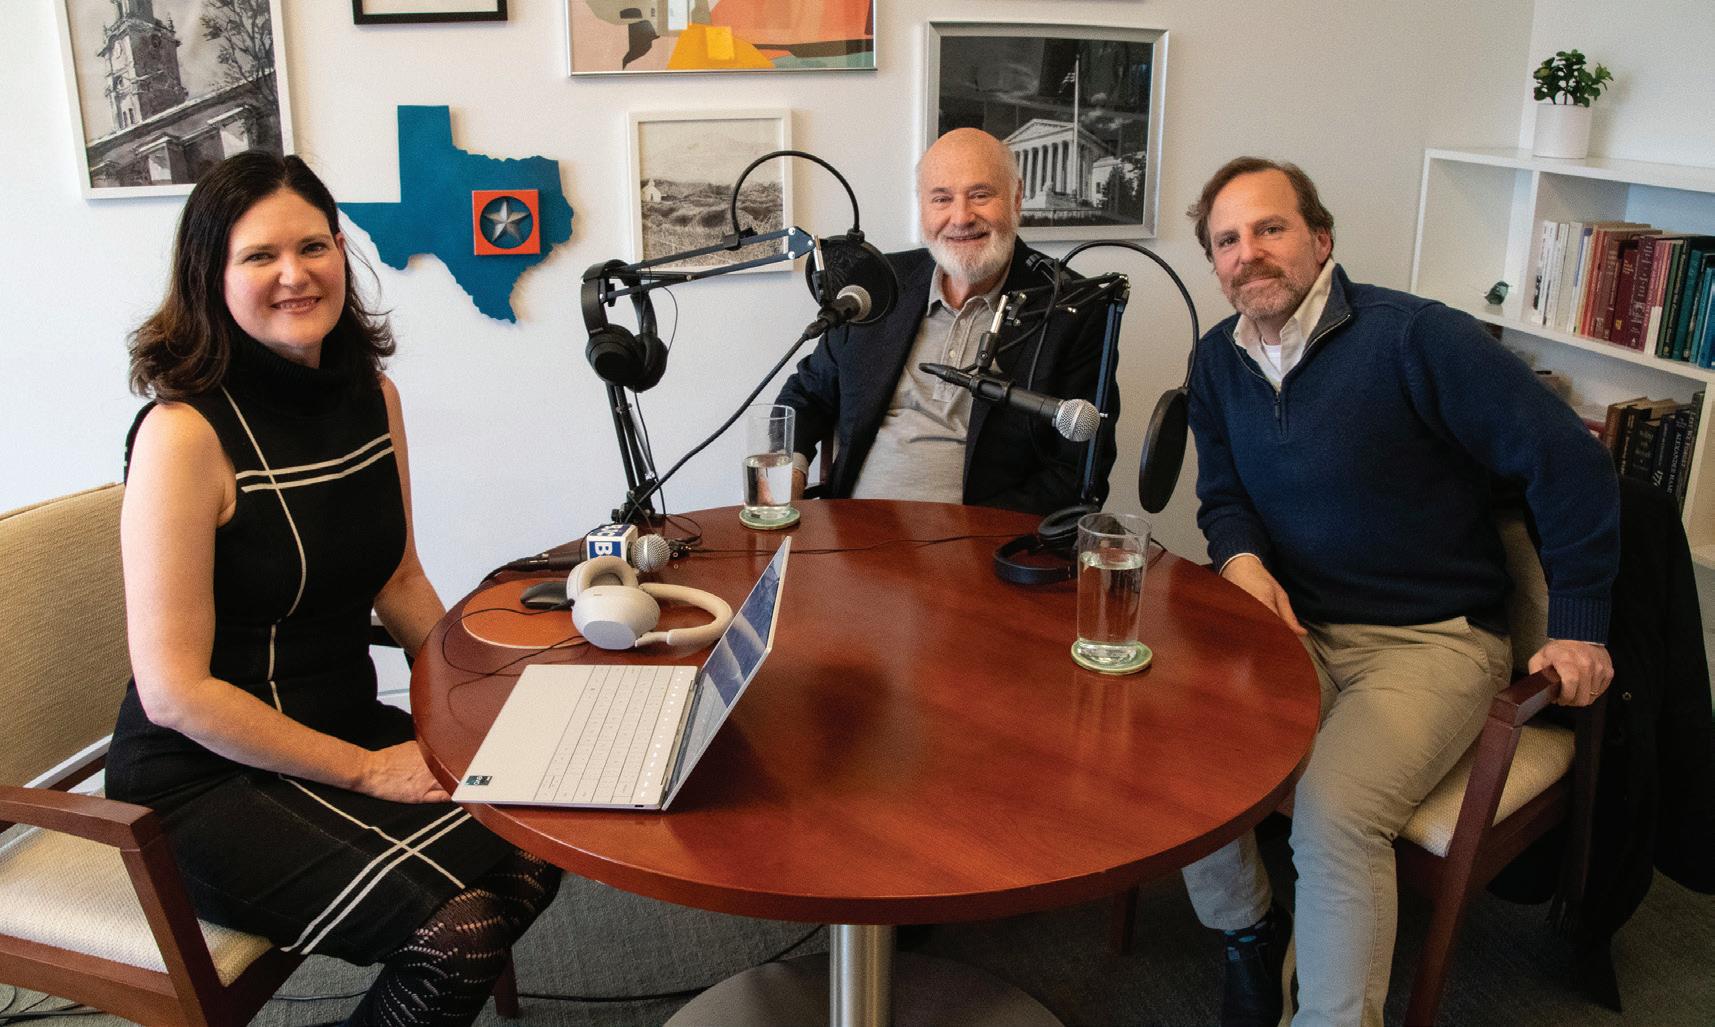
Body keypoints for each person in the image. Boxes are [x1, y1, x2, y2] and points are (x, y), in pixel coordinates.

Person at [108, 152, 560, 1026]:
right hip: (203, 776)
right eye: (259, 255)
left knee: (543, 838)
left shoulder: (371, 395)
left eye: (313, 246)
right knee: (460, 933)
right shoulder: (182, 433)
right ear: (209, 277)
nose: (295, 274)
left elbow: (399, 576)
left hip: (339, 722)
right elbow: (174, 692)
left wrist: (486, 702)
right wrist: (370, 770)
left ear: (341, 254)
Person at [1177, 157, 1619, 1027]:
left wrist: (1577, 623)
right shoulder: (1216, 362)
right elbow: (1222, 495)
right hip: (1296, 628)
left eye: (1269, 228)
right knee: (1180, 742)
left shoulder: (1415, 338)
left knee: (1334, 814)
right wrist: (1239, 560)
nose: (1247, 253)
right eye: (1226, 240)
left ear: (1320, 239)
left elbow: (1569, 459)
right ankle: (1248, 930)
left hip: (1431, 639)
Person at [773, 127, 1117, 515]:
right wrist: (789, 472)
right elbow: (806, 395)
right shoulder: (875, 285)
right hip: (854, 530)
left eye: (980, 195)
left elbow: (1076, 473)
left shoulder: (1073, 308)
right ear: (923, 207)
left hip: (981, 539)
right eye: (942, 199)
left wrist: (971, 537)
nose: (961, 217)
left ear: (1017, 198)